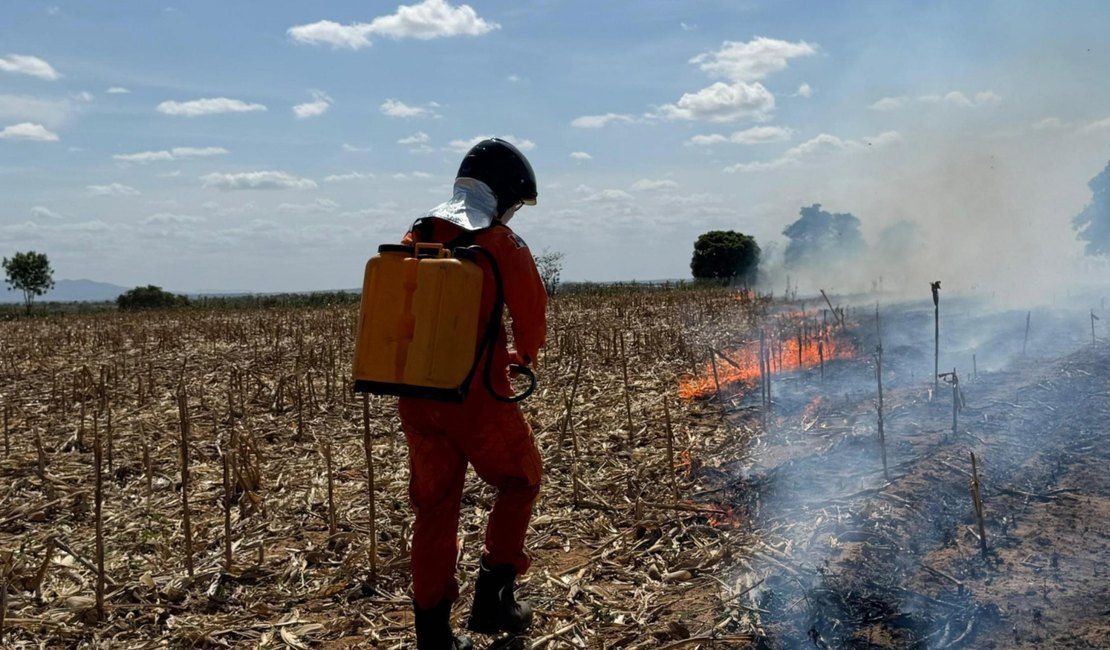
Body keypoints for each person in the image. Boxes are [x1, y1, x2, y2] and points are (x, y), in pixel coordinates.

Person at [398, 138, 547, 649]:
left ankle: (433, 635)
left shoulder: (416, 231)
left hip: (416, 396)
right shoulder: (501, 242)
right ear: (502, 194)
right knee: (521, 480)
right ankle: (494, 600)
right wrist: (522, 356)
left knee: (435, 509)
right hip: (476, 399)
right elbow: (531, 318)